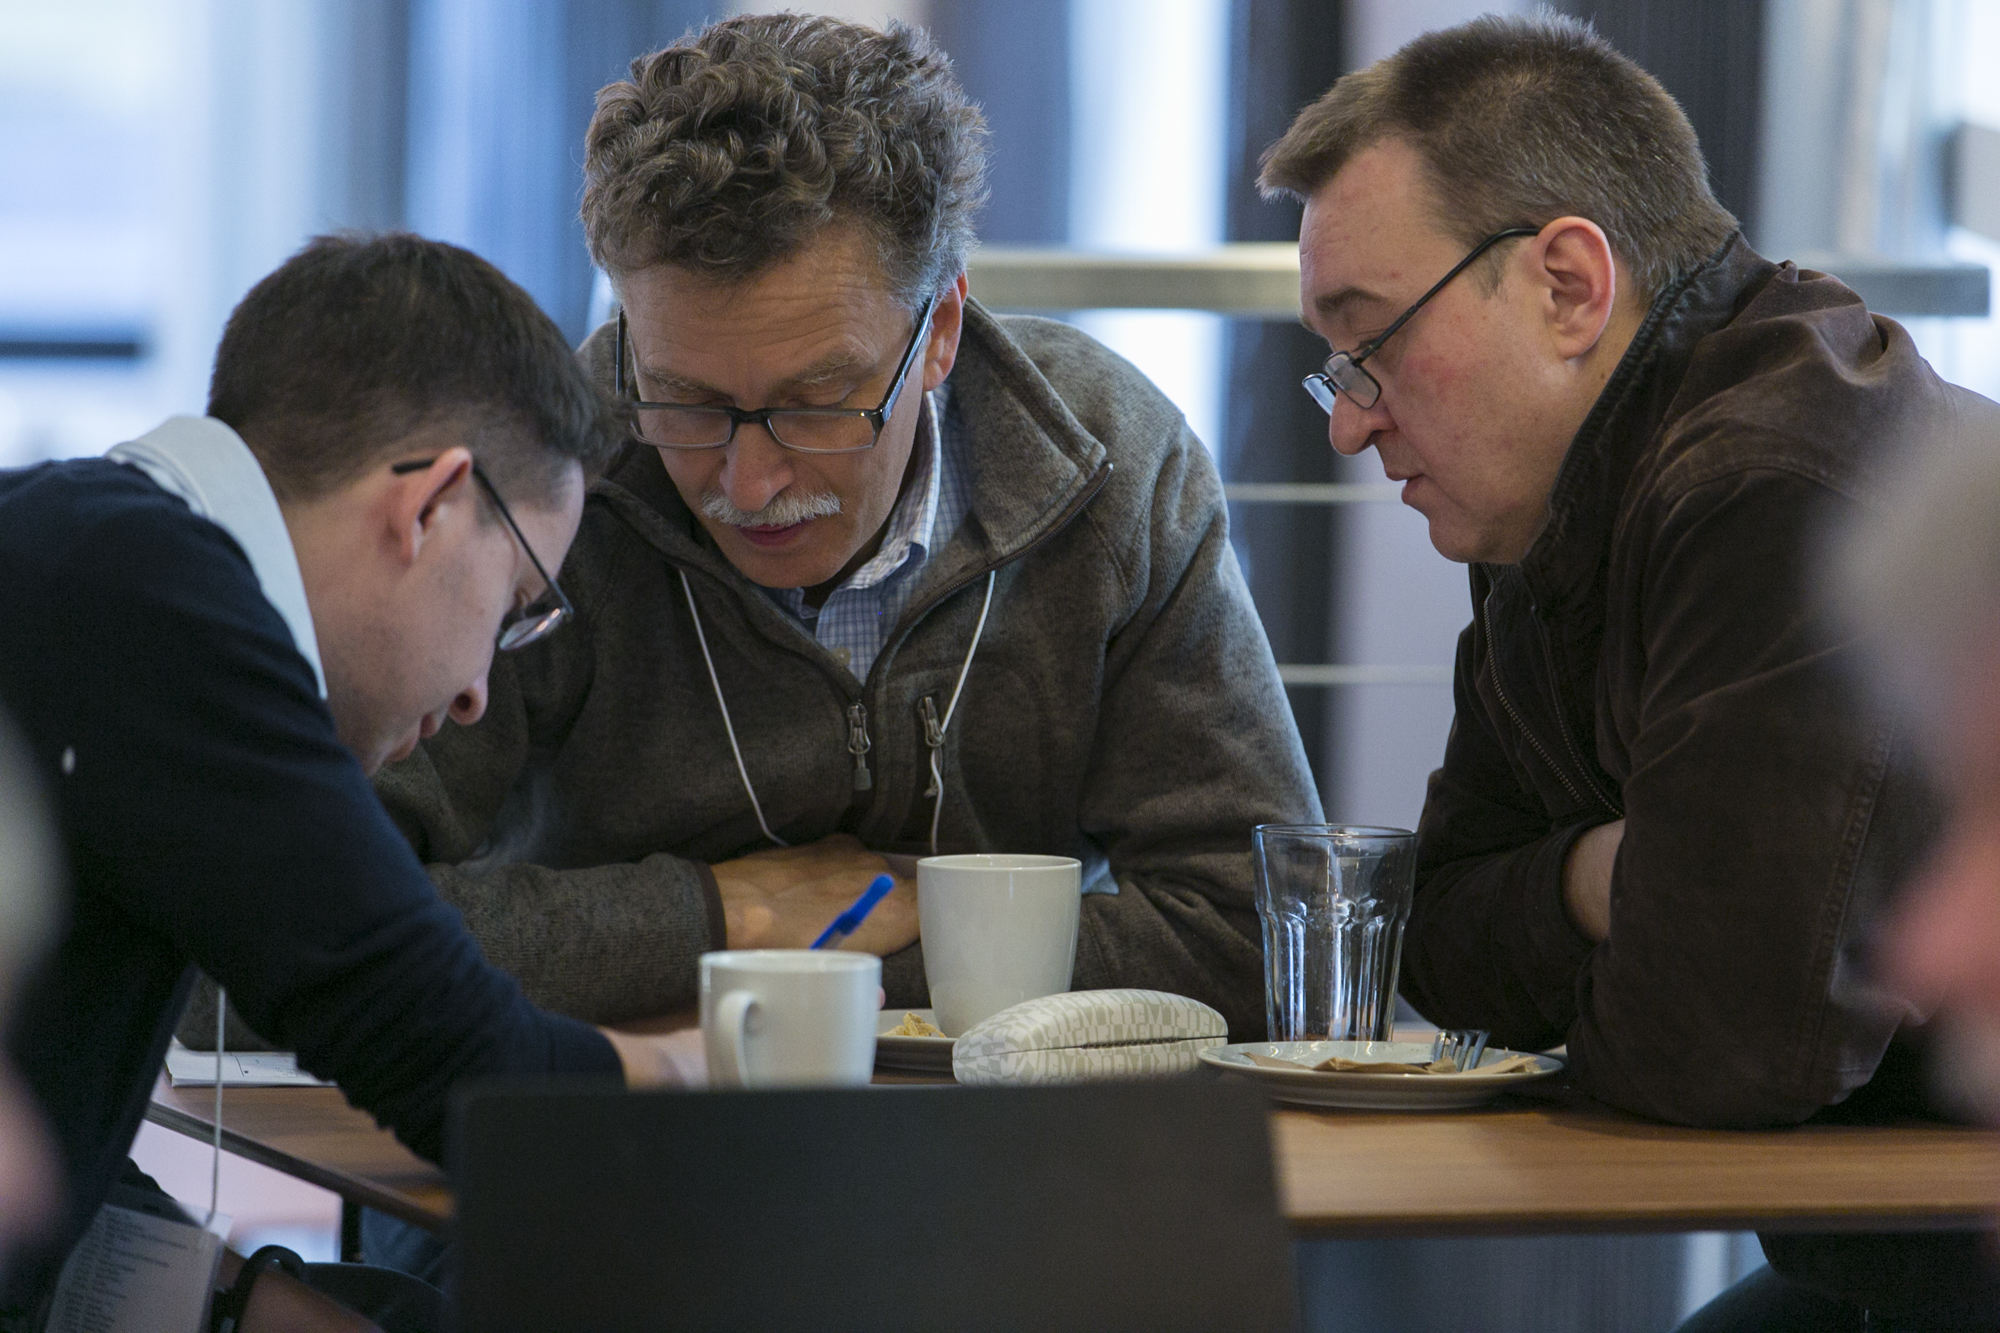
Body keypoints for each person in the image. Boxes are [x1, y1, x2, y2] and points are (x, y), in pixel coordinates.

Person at [1259, 13, 2000, 1327]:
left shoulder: (1779, 478)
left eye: (1369, 344)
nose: (1353, 422)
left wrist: (1605, 902)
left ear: (1567, 286)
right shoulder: (1563, 491)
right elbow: (1440, 933)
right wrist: (1614, 875)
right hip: (1883, 1260)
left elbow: (1716, 1049)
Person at [371, 16, 1318, 1035]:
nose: (750, 478)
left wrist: (881, 955)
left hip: (1012, 1164)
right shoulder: (543, 482)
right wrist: (725, 911)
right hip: (615, 1146)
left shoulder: (1109, 466)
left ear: (940, 332)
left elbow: (1264, 937)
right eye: (682, 400)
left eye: (817, 402)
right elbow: (305, 919)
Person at [0, 233, 703, 1332]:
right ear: (429, 507)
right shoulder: (162, 607)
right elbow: (476, 1078)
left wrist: (247, 1303)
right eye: (516, 606)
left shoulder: (82, 551)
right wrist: (727, 1068)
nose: (478, 692)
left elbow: (54, 1157)